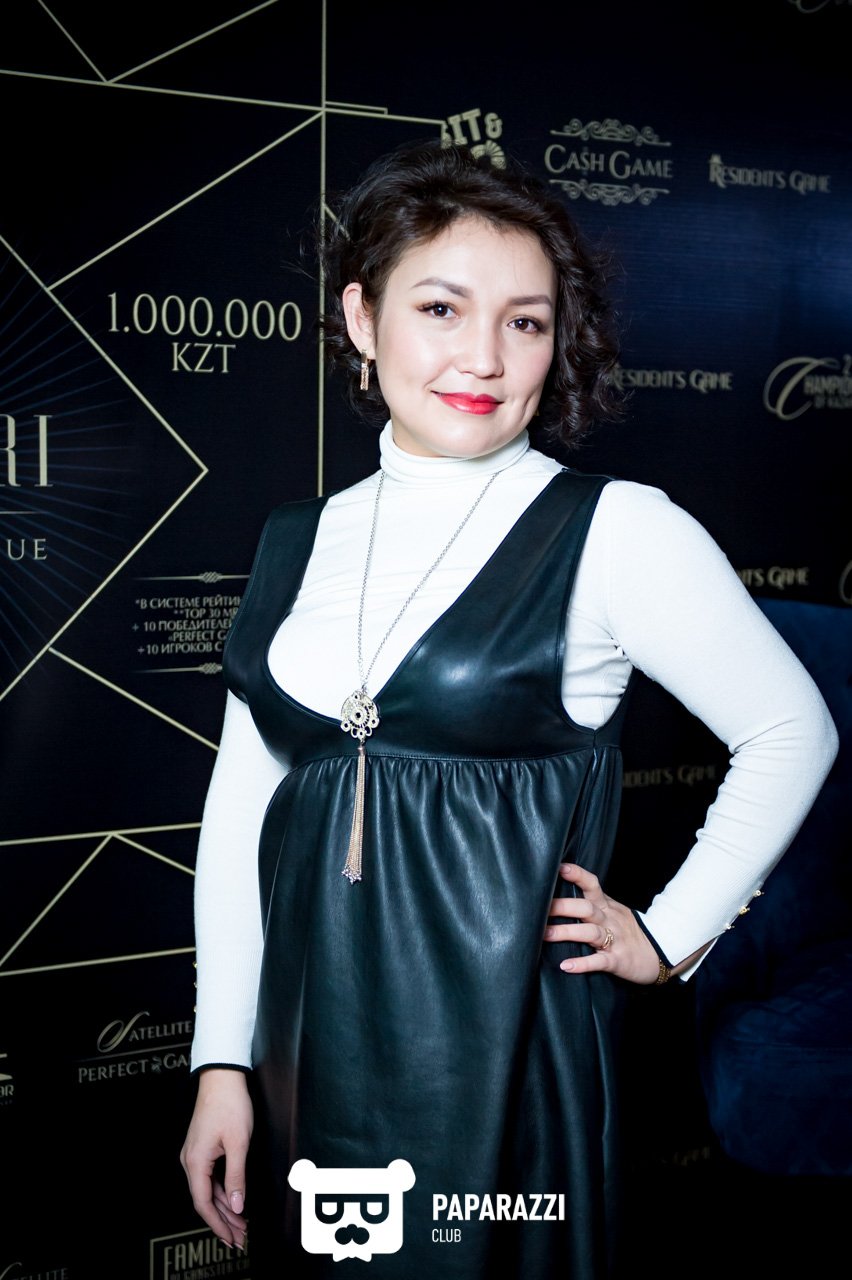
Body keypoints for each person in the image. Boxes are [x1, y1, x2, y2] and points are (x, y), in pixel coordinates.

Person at [180, 140, 838, 1278]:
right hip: (307, 1048)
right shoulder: (297, 539)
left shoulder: (618, 529)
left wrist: (667, 937)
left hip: (505, 1054)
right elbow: (241, 815)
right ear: (363, 318)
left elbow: (792, 729)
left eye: (524, 322)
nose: (483, 357)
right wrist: (220, 1064)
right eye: (441, 308)